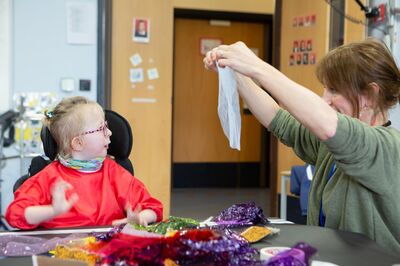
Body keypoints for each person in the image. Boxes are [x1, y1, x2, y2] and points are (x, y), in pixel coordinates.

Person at [203, 38, 400, 252]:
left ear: (370, 95)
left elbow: (329, 125)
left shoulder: (387, 148)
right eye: (325, 89)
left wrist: (256, 66)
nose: (325, 99)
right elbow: (278, 120)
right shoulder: (331, 145)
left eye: (334, 90)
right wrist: (234, 72)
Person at [6, 96, 163, 229]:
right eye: (101, 128)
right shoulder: (48, 178)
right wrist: (52, 211)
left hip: (108, 252)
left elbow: (153, 207)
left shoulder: (115, 173)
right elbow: (15, 214)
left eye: (106, 126)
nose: (110, 133)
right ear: (78, 143)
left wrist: (141, 218)